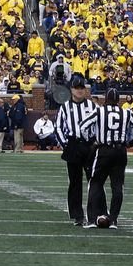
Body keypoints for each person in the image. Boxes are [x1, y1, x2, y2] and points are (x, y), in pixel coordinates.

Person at [81, 88, 133, 228]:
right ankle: (113, 220)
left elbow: (83, 127)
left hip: (104, 150)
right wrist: (131, 142)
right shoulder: (126, 112)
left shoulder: (99, 111)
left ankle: (92, 219)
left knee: (95, 183)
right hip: (120, 151)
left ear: (105, 98)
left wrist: (92, 141)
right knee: (117, 187)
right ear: (118, 100)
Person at [53, 78, 100, 227]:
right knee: (74, 182)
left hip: (88, 145)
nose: (79, 90)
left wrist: (96, 142)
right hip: (73, 144)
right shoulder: (65, 107)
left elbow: (99, 124)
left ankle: (95, 213)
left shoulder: (92, 106)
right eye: (76, 88)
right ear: (71, 90)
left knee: (93, 181)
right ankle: (77, 215)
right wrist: (65, 145)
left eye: (82, 88)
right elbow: (58, 127)